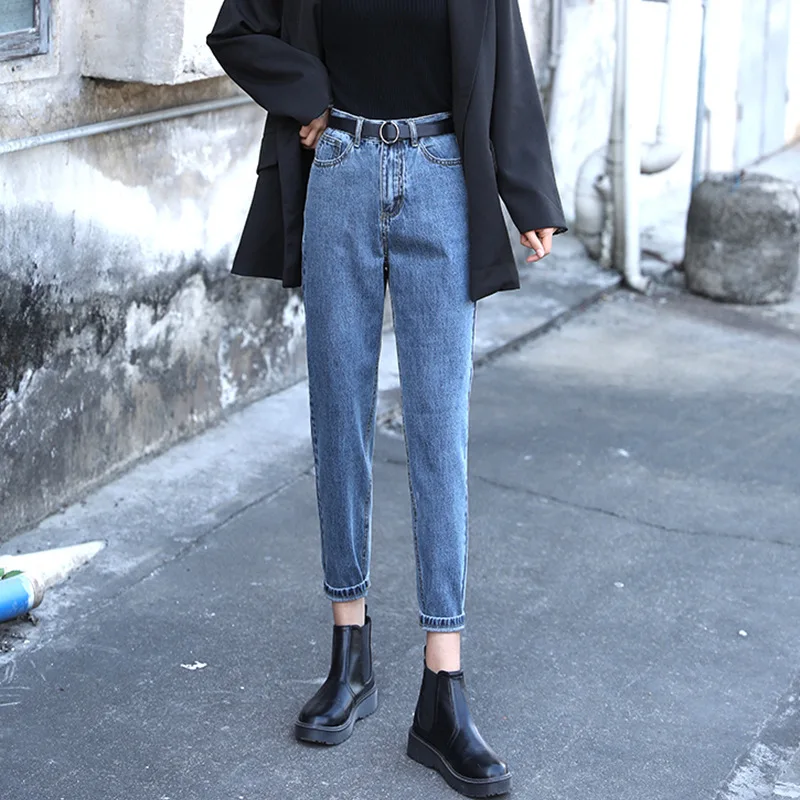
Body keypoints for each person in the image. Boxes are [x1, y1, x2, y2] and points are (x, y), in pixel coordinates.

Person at [207, 1, 566, 796]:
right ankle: (350, 656)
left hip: (442, 176)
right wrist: (309, 96)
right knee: (340, 420)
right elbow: (236, 30)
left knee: (440, 430)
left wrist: (529, 193)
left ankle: (443, 690)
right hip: (340, 169)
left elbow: (505, 61)